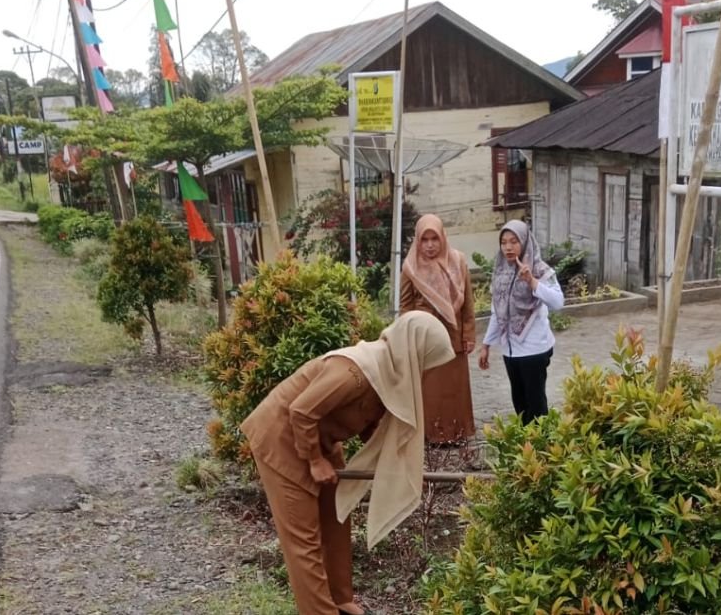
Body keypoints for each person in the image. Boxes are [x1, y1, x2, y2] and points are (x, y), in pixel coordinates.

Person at [240, 311, 455, 615]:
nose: (426, 371)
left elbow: (368, 422)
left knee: (337, 520)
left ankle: (341, 601)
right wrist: (314, 461)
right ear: (413, 351)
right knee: (304, 542)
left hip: (321, 441)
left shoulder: (389, 373)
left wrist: (400, 467)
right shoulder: (355, 371)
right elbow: (300, 411)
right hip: (282, 438)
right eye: (426, 362)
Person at [477, 219, 564, 424]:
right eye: (504, 242)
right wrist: (486, 345)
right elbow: (497, 311)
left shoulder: (540, 269)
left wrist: (532, 282)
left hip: (534, 349)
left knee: (536, 404)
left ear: (524, 242)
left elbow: (558, 302)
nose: (508, 247)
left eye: (514, 241)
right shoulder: (501, 272)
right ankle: (526, 448)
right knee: (520, 403)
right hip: (510, 350)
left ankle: (543, 447)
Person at [400, 214, 476, 444]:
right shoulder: (410, 268)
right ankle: (434, 435)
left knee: (456, 387)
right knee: (431, 390)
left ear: (443, 238)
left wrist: (468, 335)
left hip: (453, 335)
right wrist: (410, 337)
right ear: (418, 241)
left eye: (435, 238)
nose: (430, 245)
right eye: (425, 239)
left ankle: (459, 433)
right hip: (426, 339)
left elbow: (468, 304)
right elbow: (405, 306)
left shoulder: (458, 261)